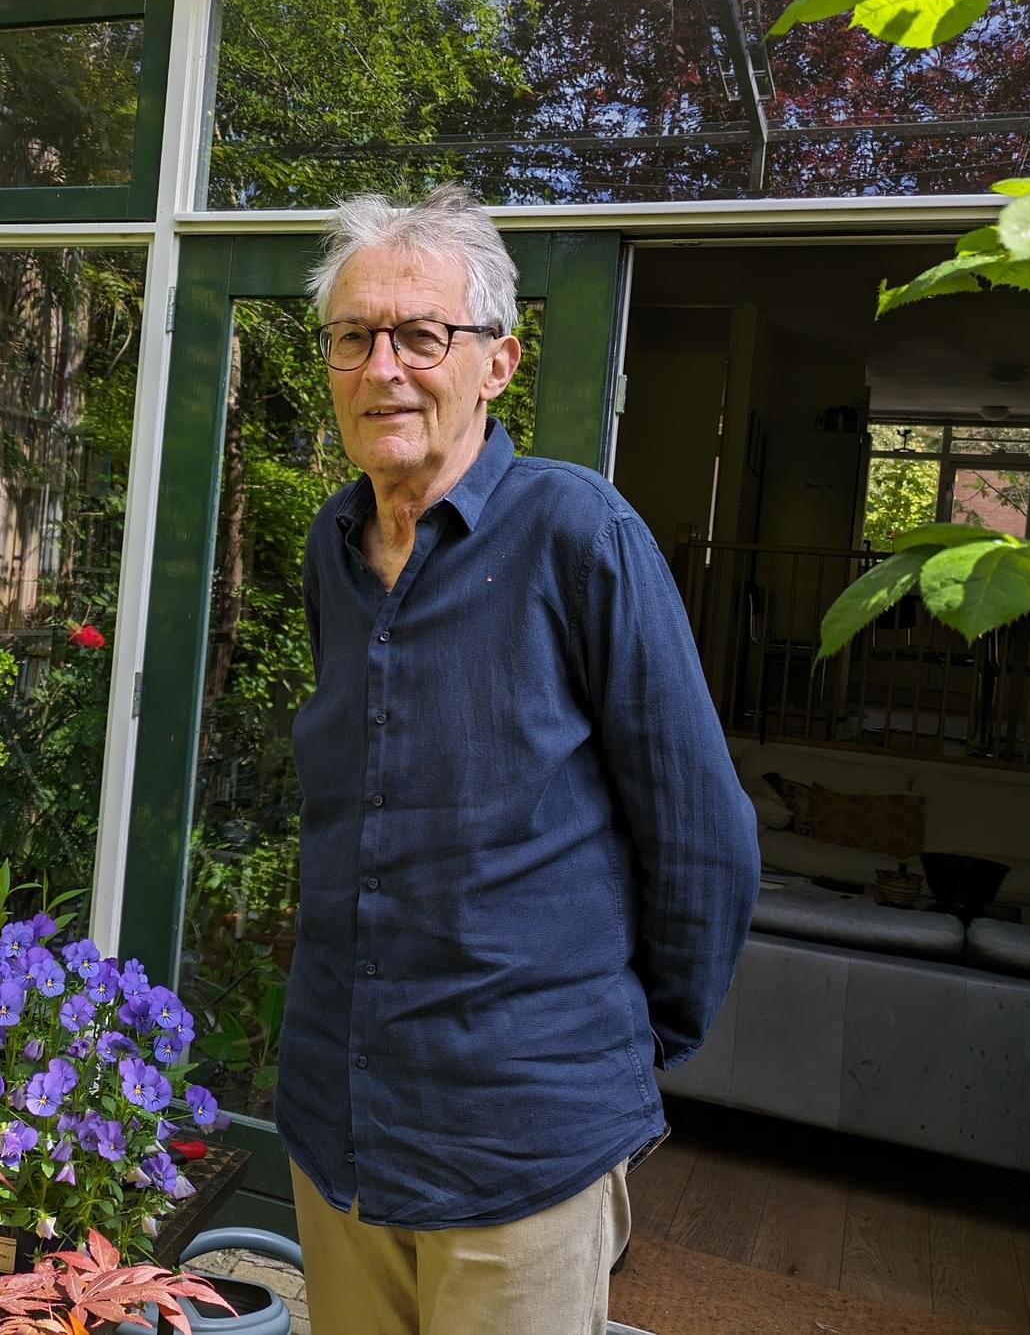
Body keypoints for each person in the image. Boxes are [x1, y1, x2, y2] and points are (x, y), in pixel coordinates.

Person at [278, 184, 759, 1335]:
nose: (382, 365)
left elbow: (703, 835)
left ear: (495, 361)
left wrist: (611, 1047)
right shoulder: (330, 549)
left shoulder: (578, 535)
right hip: (338, 1121)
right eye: (353, 336)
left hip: (519, 1144)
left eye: (419, 335)